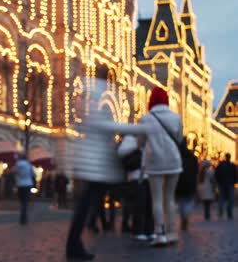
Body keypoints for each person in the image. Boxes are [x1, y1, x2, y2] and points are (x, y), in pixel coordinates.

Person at [65, 78, 154, 260]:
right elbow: (110, 126)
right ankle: (74, 245)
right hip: (93, 169)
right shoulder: (95, 111)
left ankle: (76, 243)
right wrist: (142, 127)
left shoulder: (91, 106)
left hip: (95, 169)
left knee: (88, 205)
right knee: (85, 206)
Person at [138, 87, 183, 246]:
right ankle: (172, 233)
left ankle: (160, 233)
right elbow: (179, 138)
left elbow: (140, 142)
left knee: (156, 199)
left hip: (154, 162)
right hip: (174, 161)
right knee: (169, 198)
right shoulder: (176, 117)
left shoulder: (146, 118)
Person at [117, 135, 154, 241]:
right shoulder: (130, 139)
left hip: (148, 175)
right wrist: (138, 145)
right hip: (136, 176)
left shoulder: (148, 140)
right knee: (139, 204)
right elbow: (121, 152)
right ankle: (138, 230)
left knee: (149, 205)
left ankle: (149, 230)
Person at [175, 150, 199, 231]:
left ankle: (183, 216)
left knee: (181, 202)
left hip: (179, 184)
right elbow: (196, 172)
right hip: (190, 184)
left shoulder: (178, 158)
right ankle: (185, 216)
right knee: (188, 202)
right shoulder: (194, 159)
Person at [13, 154, 36, 225]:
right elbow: (34, 175)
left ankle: (22, 218)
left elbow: (14, 172)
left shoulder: (17, 164)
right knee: (25, 202)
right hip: (28, 184)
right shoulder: (29, 165)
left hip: (19, 185)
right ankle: (24, 219)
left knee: (21, 201)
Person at [215, 153, 237, 220]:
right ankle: (229, 212)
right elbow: (236, 174)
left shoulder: (221, 165)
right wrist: (234, 181)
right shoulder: (232, 165)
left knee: (221, 198)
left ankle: (221, 210)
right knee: (230, 198)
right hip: (230, 183)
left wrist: (218, 181)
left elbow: (216, 174)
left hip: (222, 183)